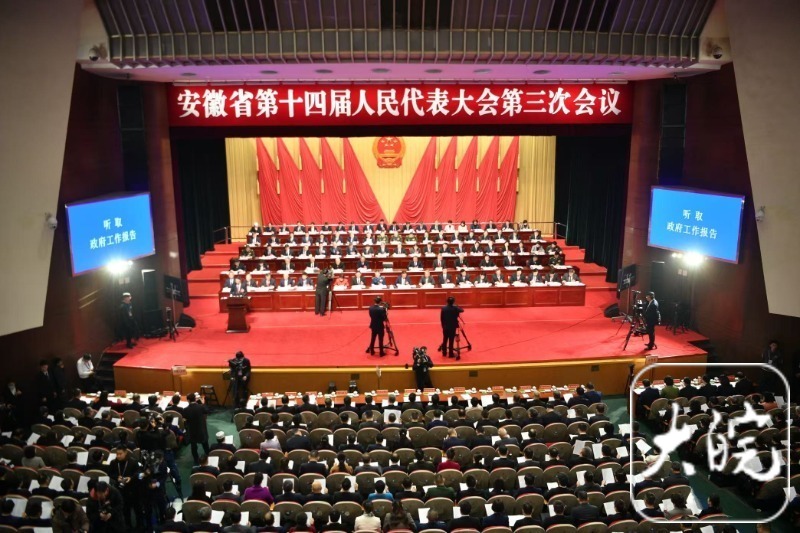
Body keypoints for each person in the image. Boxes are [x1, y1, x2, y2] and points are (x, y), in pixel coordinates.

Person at [183, 392, 210, 465]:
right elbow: (207, 410)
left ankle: (196, 460)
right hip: (201, 430)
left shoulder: (185, 410)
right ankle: (209, 457)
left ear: (188, 400)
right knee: (205, 445)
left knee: (194, 447)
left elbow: (185, 418)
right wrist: (203, 403)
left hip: (192, 431)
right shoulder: (201, 407)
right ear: (195, 399)